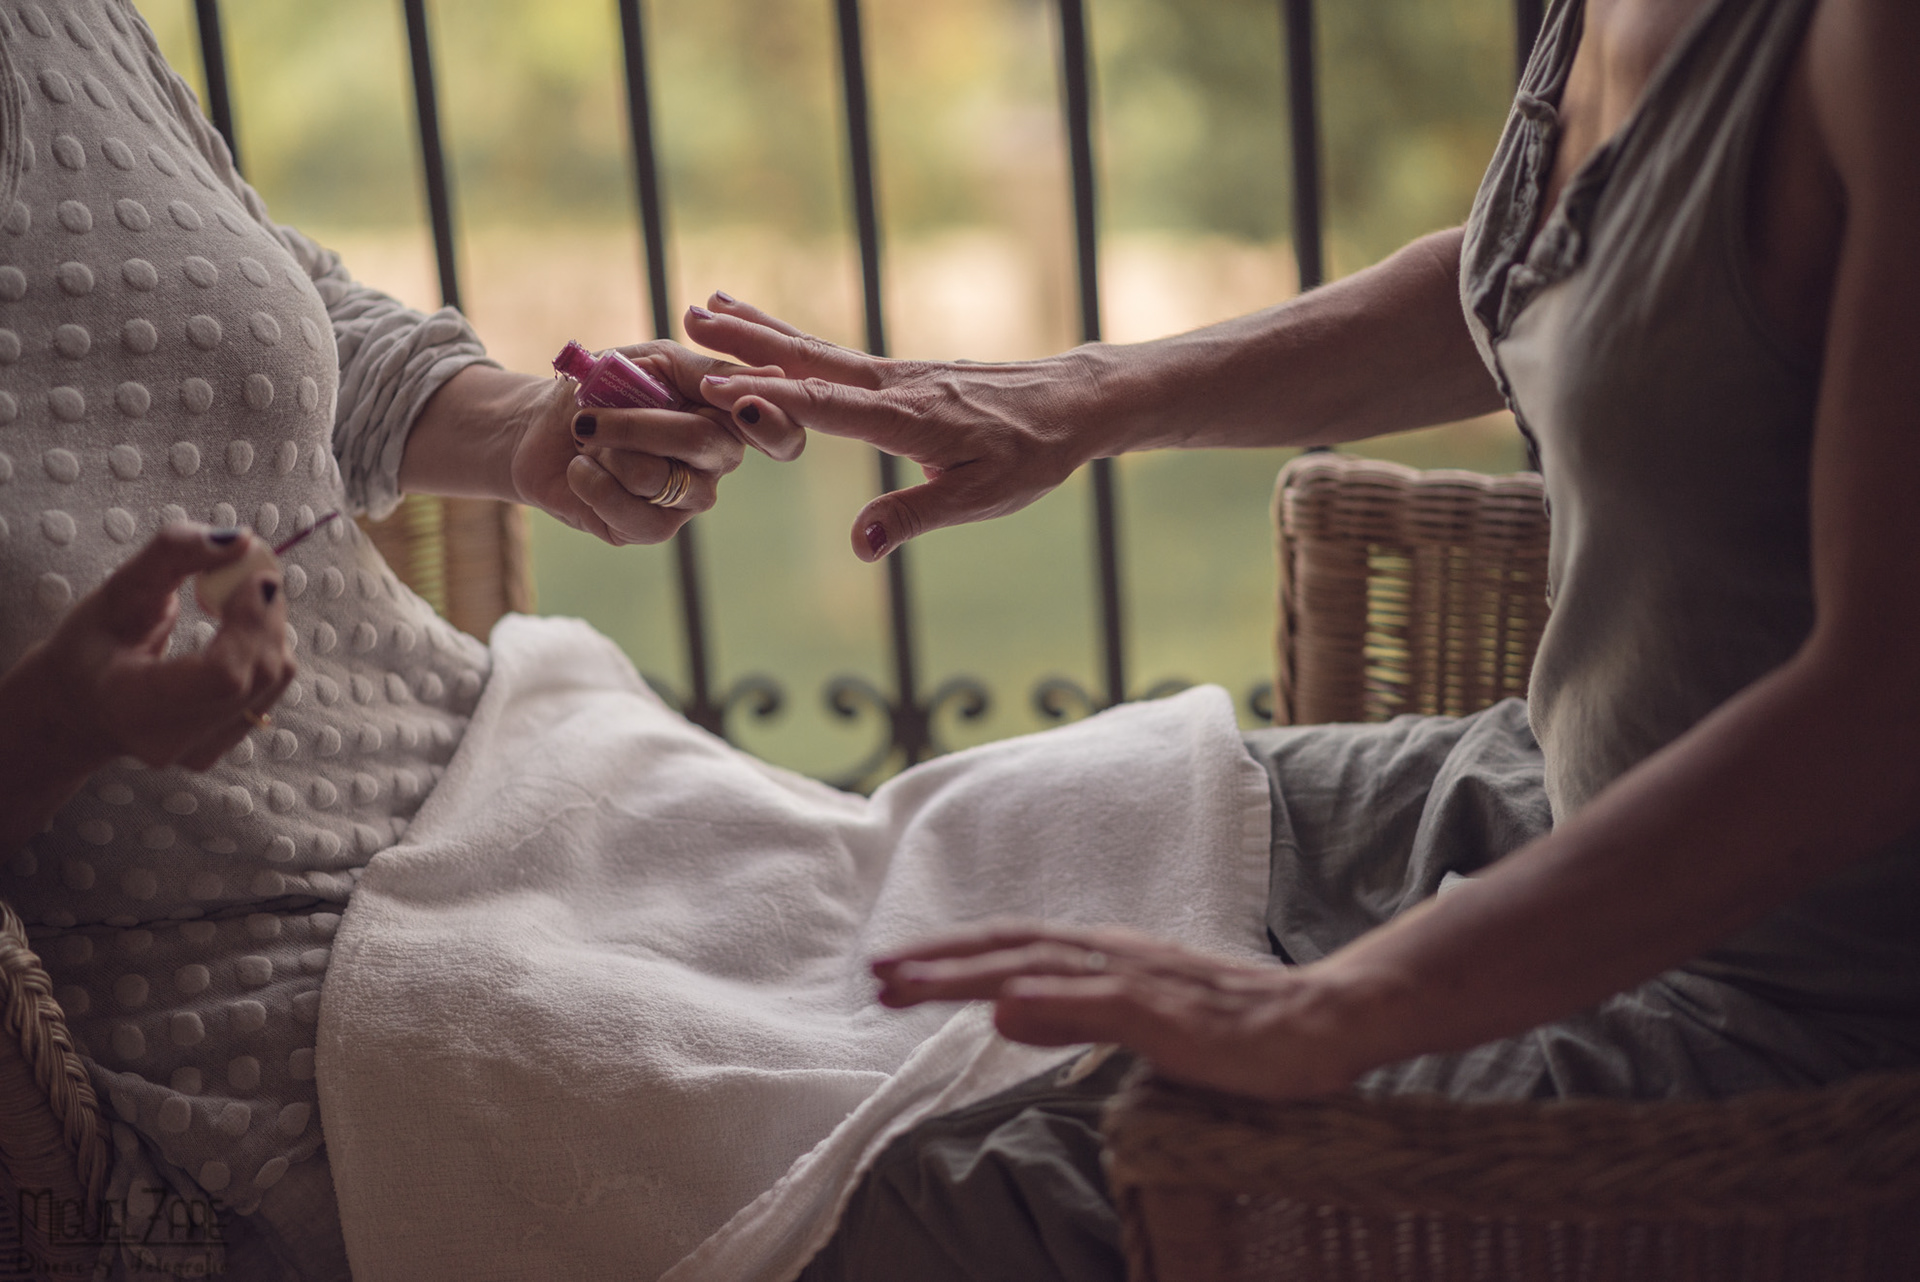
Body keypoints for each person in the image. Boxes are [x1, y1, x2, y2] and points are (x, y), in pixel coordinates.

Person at [674, 0, 1920, 1275]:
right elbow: (1544, 272)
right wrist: (1079, 398)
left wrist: (1353, 1004)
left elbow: (1885, 715)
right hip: (1539, 787)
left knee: (920, 1206)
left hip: (1790, 997)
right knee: (941, 859)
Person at [0, 2, 778, 1275]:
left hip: (509, 776)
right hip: (266, 1006)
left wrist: (548, 434)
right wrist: (61, 732)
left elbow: (271, 305)